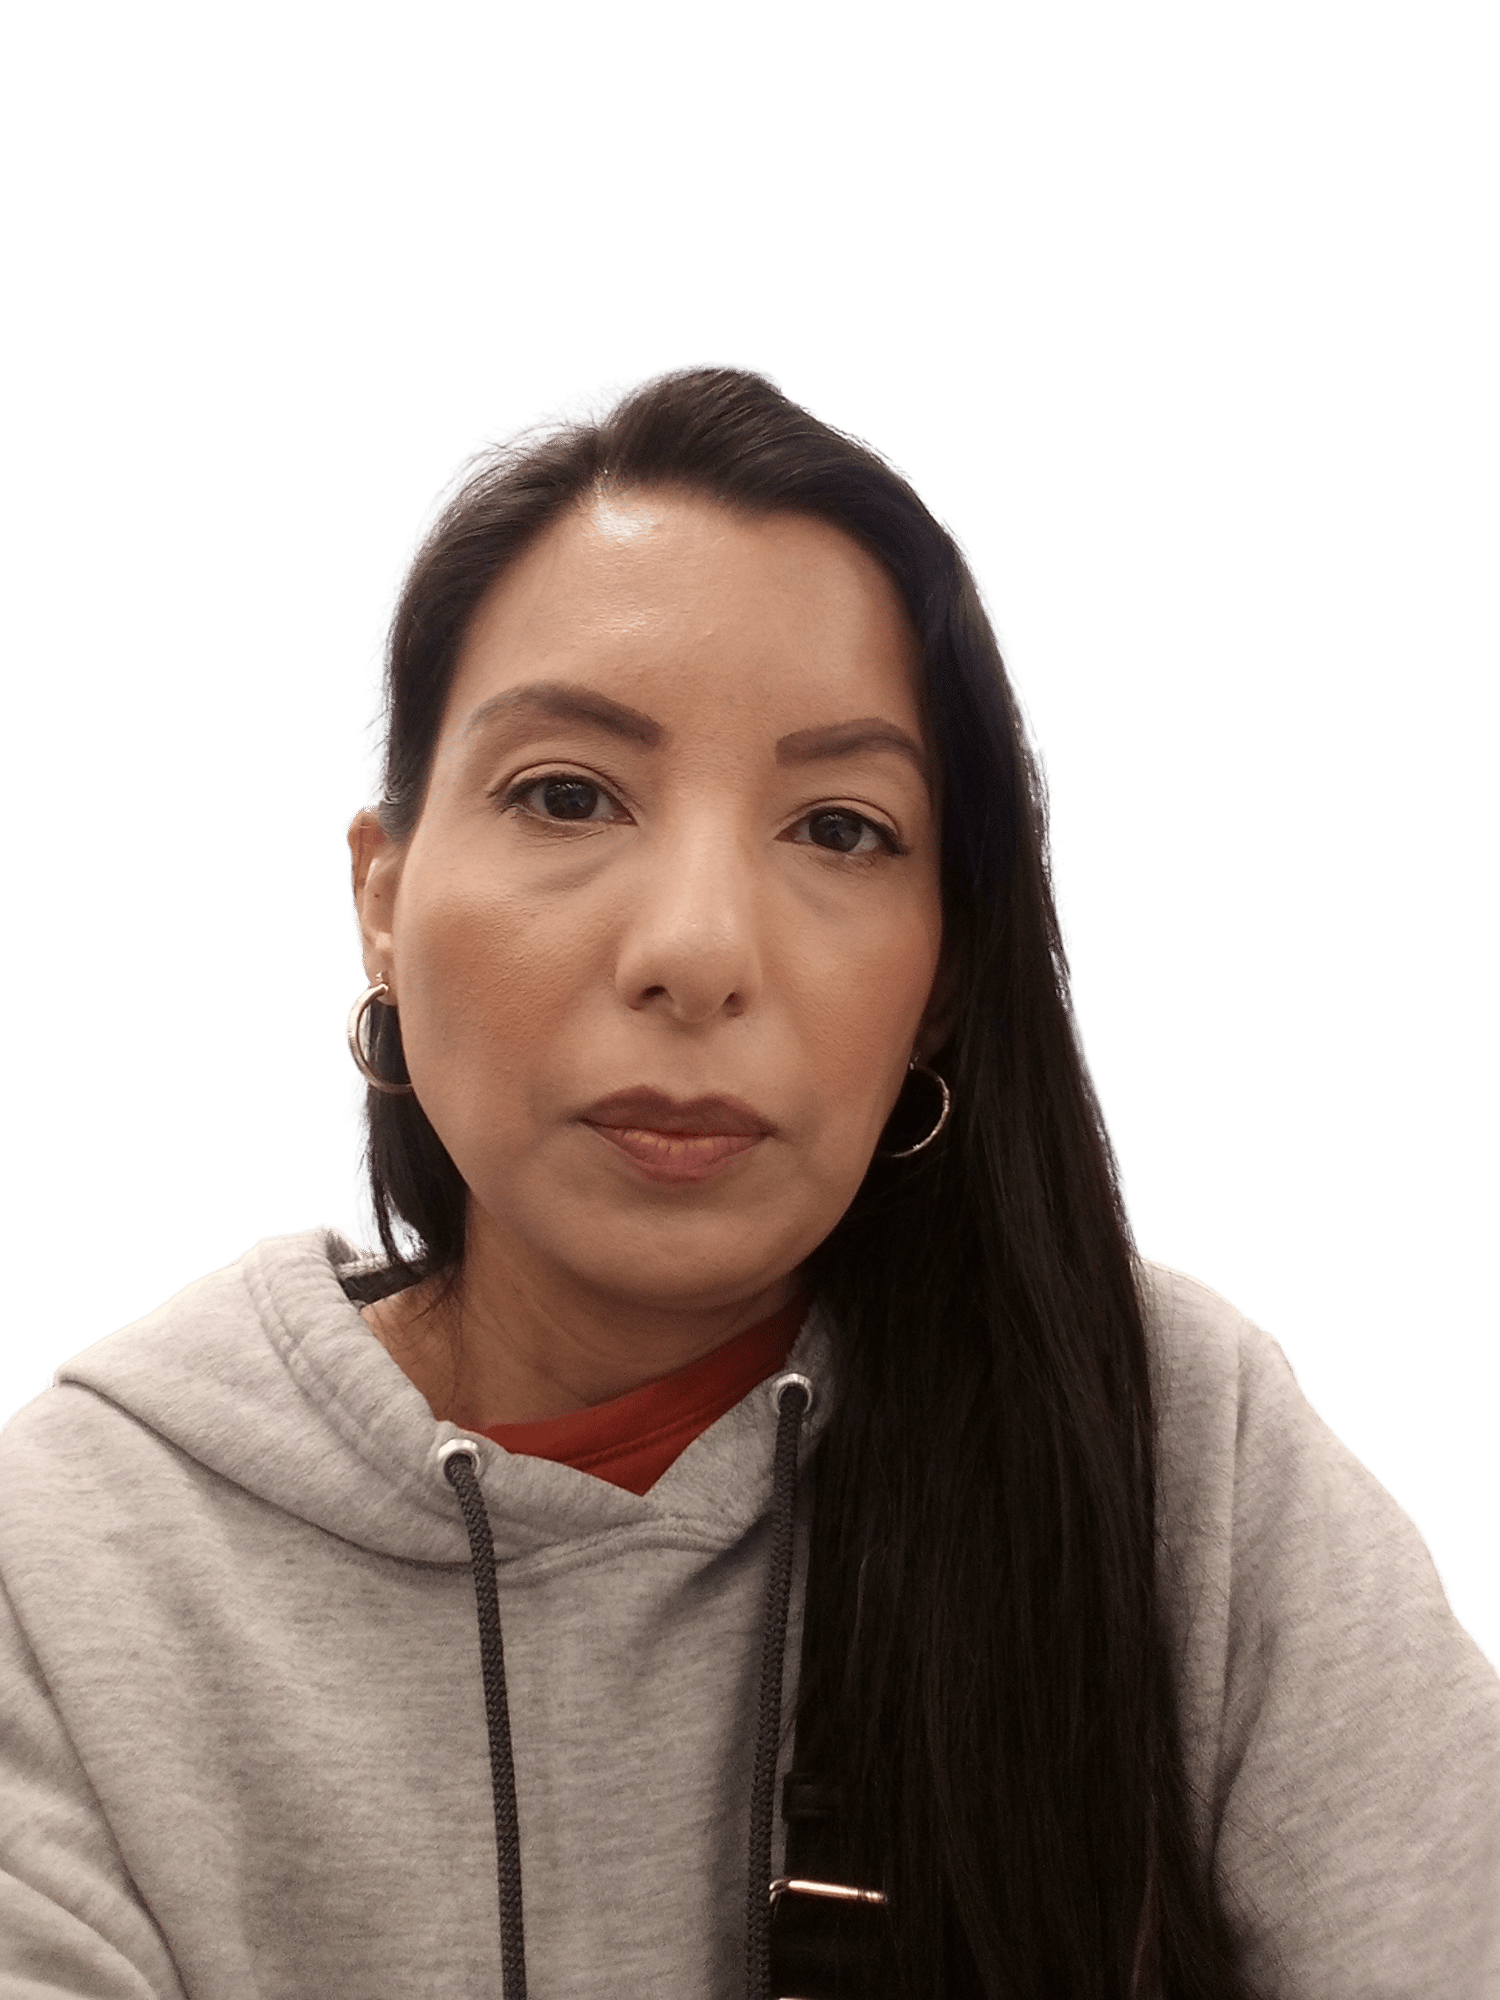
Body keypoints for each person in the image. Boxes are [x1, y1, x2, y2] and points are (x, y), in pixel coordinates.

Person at [1, 362, 1495, 2000]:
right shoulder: (76, 1564)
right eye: (568, 795)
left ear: (942, 978)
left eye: (840, 827)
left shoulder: (1165, 1441)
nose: (699, 950)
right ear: (383, 897)